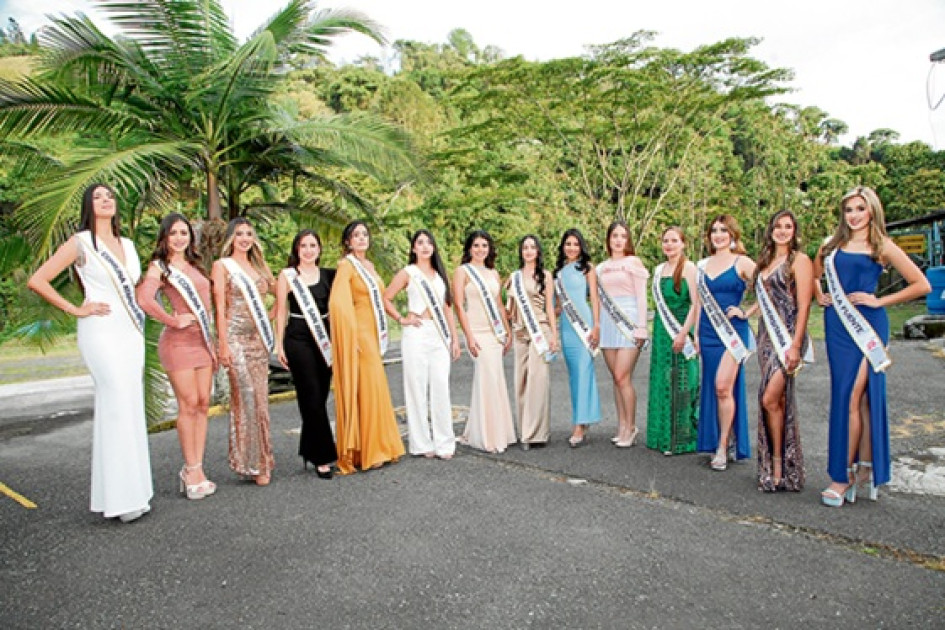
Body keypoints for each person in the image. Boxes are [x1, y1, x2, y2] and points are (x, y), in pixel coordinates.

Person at [27, 183, 152, 523]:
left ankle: (135, 493)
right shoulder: (80, 243)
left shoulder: (127, 244)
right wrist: (76, 309)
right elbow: (38, 280)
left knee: (129, 405)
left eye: (110, 196)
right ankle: (120, 499)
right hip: (100, 330)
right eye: (98, 197)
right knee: (114, 406)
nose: (106, 200)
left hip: (130, 333)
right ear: (88, 205)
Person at [813, 186, 930, 507]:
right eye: (849, 209)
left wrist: (880, 299)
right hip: (837, 327)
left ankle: (842, 475)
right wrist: (819, 294)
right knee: (855, 398)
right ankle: (865, 465)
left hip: (868, 328)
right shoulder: (832, 245)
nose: (853, 215)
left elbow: (922, 284)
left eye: (860, 209)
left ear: (872, 211)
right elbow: (815, 273)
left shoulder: (883, 246)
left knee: (853, 395)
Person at [137, 213, 217, 500]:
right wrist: (171, 321)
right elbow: (144, 298)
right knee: (188, 403)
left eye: (184, 233)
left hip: (202, 341)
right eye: (174, 234)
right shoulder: (159, 267)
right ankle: (191, 469)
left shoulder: (195, 265)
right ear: (164, 238)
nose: (180, 238)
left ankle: (198, 467)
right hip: (178, 343)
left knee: (203, 403)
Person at [329, 220, 405, 473]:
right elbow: (339, 304)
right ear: (348, 242)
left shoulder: (369, 266)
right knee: (368, 388)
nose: (361, 238)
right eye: (355, 235)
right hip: (359, 334)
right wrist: (349, 338)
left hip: (375, 332)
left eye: (364, 234)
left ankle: (380, 445)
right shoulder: (346, 266)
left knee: (376, 387)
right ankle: (370, 450)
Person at [383, 229, 461, 459]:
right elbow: (386, 297)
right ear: (413, 248)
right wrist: (401, 318)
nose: (425, 246)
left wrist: (454, 339)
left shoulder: (439, 274)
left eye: (429, 242)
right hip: (416, 333)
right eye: (420, 242)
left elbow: (447, 308)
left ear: (434, 247)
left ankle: (444, 442)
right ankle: (421, 443)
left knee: (440, 388)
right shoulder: (408, 272)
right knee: (416, 388)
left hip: (439, 334)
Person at [211, 218, 276, 486]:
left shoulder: (259, 266)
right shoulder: (222, 266)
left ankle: (262, 461)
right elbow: (220, 307)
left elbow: (280, 291)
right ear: (231, 238)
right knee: (245, 397)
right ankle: (248, 462)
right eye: (239, 234)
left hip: (258, 340)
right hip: (235, 340)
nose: (245, 238)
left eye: (249, 233)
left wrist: (273, 315)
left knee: (261, 399)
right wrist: (222, 344)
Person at [753, 210, 813, 492]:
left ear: (795, 230)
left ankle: (780, 464)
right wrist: (745, 313)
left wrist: (796, 345)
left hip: (786, 337)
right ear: (771, 230)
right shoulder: (765, 260)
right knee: (774, 402)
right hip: (765, 337)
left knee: (770, 398)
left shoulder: (799, 261)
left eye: (788, 226)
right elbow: (762, 298)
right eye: (778, 226)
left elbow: (803, 306)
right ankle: (775, 465)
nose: (782, 231)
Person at [695, 215, 756, 471]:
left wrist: (747, 312)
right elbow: (698, 302)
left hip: (733, 332)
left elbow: (768, 290)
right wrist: (697, 334)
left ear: (733, 234)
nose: (718, 235)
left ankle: (722, 446)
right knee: (716, 388)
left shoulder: (743, 262)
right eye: (714, 231)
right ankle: (725, 437)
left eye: (723, 230)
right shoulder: (702, 264)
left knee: (722, 387)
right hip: (708, 333)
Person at [274, 230, 337, 479]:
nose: (308, 250)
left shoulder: (330, 275)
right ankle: (323, 457)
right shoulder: (287, 276)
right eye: (303, 246)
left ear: (319, 249)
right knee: (310, 395)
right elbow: (280, 312)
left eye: (313, 245)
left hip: (324, 336)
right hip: (298, 338)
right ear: (296, 250)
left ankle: (308, 448)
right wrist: (278, 345)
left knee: (320, 396)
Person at [453, 229, 517, 454]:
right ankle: (487, 436)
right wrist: (468, 336)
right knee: (486, 377)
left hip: (495, 333)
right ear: (469, 248)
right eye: (476, 245)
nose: (481, 250)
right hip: (477, 331)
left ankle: (496, 431)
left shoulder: (493, 273)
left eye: (484, 246)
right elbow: (459, 305)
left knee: (495, 379)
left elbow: (499, 305)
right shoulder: (462, 271)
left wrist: (507, 332)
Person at [646, 226, 700, 456]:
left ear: (683, 243)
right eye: (666, 241)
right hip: (661, 331)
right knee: (663, 380)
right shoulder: (659, 270)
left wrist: (685, 333)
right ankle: (661, 436)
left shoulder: (689, 268)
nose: (669, 245)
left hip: (681, 328)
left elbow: (696, 304)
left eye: (674, 240)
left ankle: (681, 438)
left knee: (683, 381)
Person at [597, 221, 649, 447]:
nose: (618, 240)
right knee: (616, 379)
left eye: (623, 236)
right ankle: (621, 426)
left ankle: (631, 426)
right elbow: (598, 300)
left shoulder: (633, 263)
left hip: (628, 323)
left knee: (622, 376)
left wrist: (641, 326)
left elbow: (641, 297)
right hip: (608, 325)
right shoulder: (600, 268)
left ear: (628, 240)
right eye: (614, 236)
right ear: (608, 239)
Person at [507, 235, 558, 450]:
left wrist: (554, 336)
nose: (528, 251)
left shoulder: (545, 276)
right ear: (521, 251)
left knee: (538, 382)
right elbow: (509, 309)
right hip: (520, 332)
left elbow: (549, 308)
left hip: (541, 332)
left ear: (538, 251)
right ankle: (522, 430)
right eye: (525, 247)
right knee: (521, 381)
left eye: (532, 247)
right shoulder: (514, 277)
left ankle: (535, 433)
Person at [553, 229, 602, 447]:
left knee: (584, 372)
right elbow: (557, 306)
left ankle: (578, 426)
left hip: (584, 326)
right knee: (575, 375)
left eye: (575, 244)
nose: (571, 248)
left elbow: (595, 299)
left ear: (581, 247)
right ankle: (583, 418)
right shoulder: (558, 273)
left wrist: (597, 325)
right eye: (568, 244)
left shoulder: (587, 269)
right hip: (566, 328)